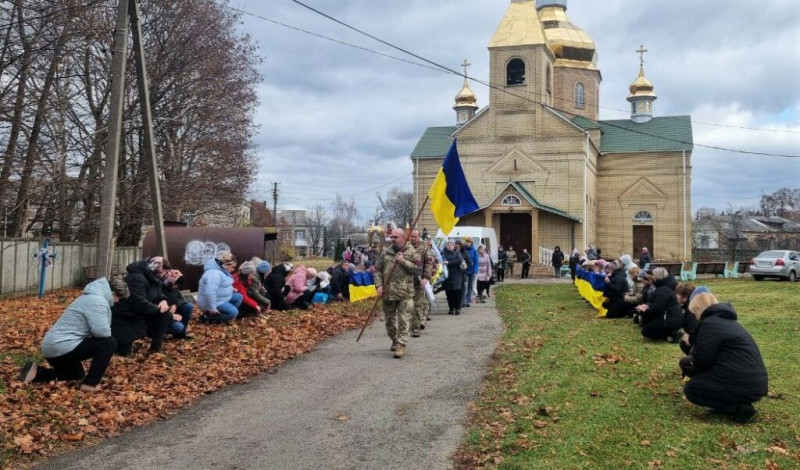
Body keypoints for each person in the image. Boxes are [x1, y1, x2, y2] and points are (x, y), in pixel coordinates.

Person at [19, 278, 129, 392]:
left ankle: (37, 372)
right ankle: (90, 384)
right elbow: (102, 332)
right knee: (109, 343)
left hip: (53, 346)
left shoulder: (89, 297)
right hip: (62, 346)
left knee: (75, 375)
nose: (117, 301)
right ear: (113, 293)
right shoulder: (97, 301)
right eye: (119, 298)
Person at [680, 291, 768, 423]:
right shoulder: (727, 321)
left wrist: (688, 370)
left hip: (743, 384)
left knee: (692, 389)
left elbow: (702, 360)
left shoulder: (710, 324)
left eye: (695, 313)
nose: (696, 318)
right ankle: (733, 405)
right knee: (701, 383)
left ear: (698, 310)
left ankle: (738, 408)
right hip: (754, 382)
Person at [111, 257, 173, 356]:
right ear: (158, 268)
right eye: (165, 271)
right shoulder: (136, 278)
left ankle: (155, 349)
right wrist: (157, 308)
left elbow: (159, 294)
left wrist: (163, 301)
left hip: (140, 314)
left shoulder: (152, 278)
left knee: (165, 314)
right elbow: (138, 303)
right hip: (126, 317)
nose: (165, 274)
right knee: (124, 353)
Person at [375, 228, 420, 359]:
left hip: (405, 293)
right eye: (391, 237)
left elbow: (418, 270)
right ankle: (394, 340)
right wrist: (378, 285)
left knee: (404, 320)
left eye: (395, 237)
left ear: (403, 237)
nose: (393, 239)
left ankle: (401, 344)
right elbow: (377, 270)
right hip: (388, 293)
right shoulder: (386, 252)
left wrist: (403, 261)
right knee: (389, 321)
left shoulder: (412, 252)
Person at [635, 267, 684, 341]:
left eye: (653, 275)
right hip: (670, 317)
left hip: (670, 319)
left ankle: (673, 334)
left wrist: (645, 309)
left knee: (646, 331)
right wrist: (646, 306)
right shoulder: (662, 288)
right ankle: (671, 333)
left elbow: (657, 308)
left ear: (656, 277)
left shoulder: (663, 290)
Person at [197, 252, 242, 323]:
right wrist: (212, 308)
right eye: (232, 267)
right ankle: (207, 317)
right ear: (226, 265)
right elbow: (210, 292)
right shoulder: (214, 274)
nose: (233, 269)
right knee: (234, 313)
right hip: (209, 302)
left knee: (238, 296)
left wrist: (231, 289)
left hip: (219, 299)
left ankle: (223, 316)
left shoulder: (221, 271)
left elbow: (222, 285)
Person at [409, 230, 437, 337]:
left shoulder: (424, 248)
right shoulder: (406, 247)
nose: (413, 238)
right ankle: (407, 325)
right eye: (411, 236)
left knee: (417, 304)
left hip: (419, 281)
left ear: (419, 236)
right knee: (405, 305)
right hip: (406, 281)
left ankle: (416, 327)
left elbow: (429, 263)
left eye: (415, 236)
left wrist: (426, 277)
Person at [162, 269, 194, 340]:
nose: (176, 286)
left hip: (172, 312)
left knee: (188, 306)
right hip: (162, 314)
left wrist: (175, 304)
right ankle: (157, 332)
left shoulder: (174, 288)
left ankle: (181, 334)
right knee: (178, 327)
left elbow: (180, 299)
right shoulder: (160, 286)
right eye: (175, 284)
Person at [441, 240, 465, 315]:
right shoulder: (443, 253)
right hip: (447, 276)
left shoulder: (457, 252)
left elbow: (459, 260)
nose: (449, 246)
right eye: (448, 245)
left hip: (457, 276)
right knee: (449, 294)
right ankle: (451, 308)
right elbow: (441, 260)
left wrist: (449, 262)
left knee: (457, 293)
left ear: (454, 246)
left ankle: (457, 308)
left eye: (451, 245)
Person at [461, 237, 479, 307]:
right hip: (464, 271)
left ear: (471, 243)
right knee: (464, 285)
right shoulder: (463, 249)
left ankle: (468, 300)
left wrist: (475, 270)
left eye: (469, 242)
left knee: (470, 286)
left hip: (471, 271)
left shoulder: (474, 251)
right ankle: (463, 300)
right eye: (467, 242)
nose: (467, 243)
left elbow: (476, 261)